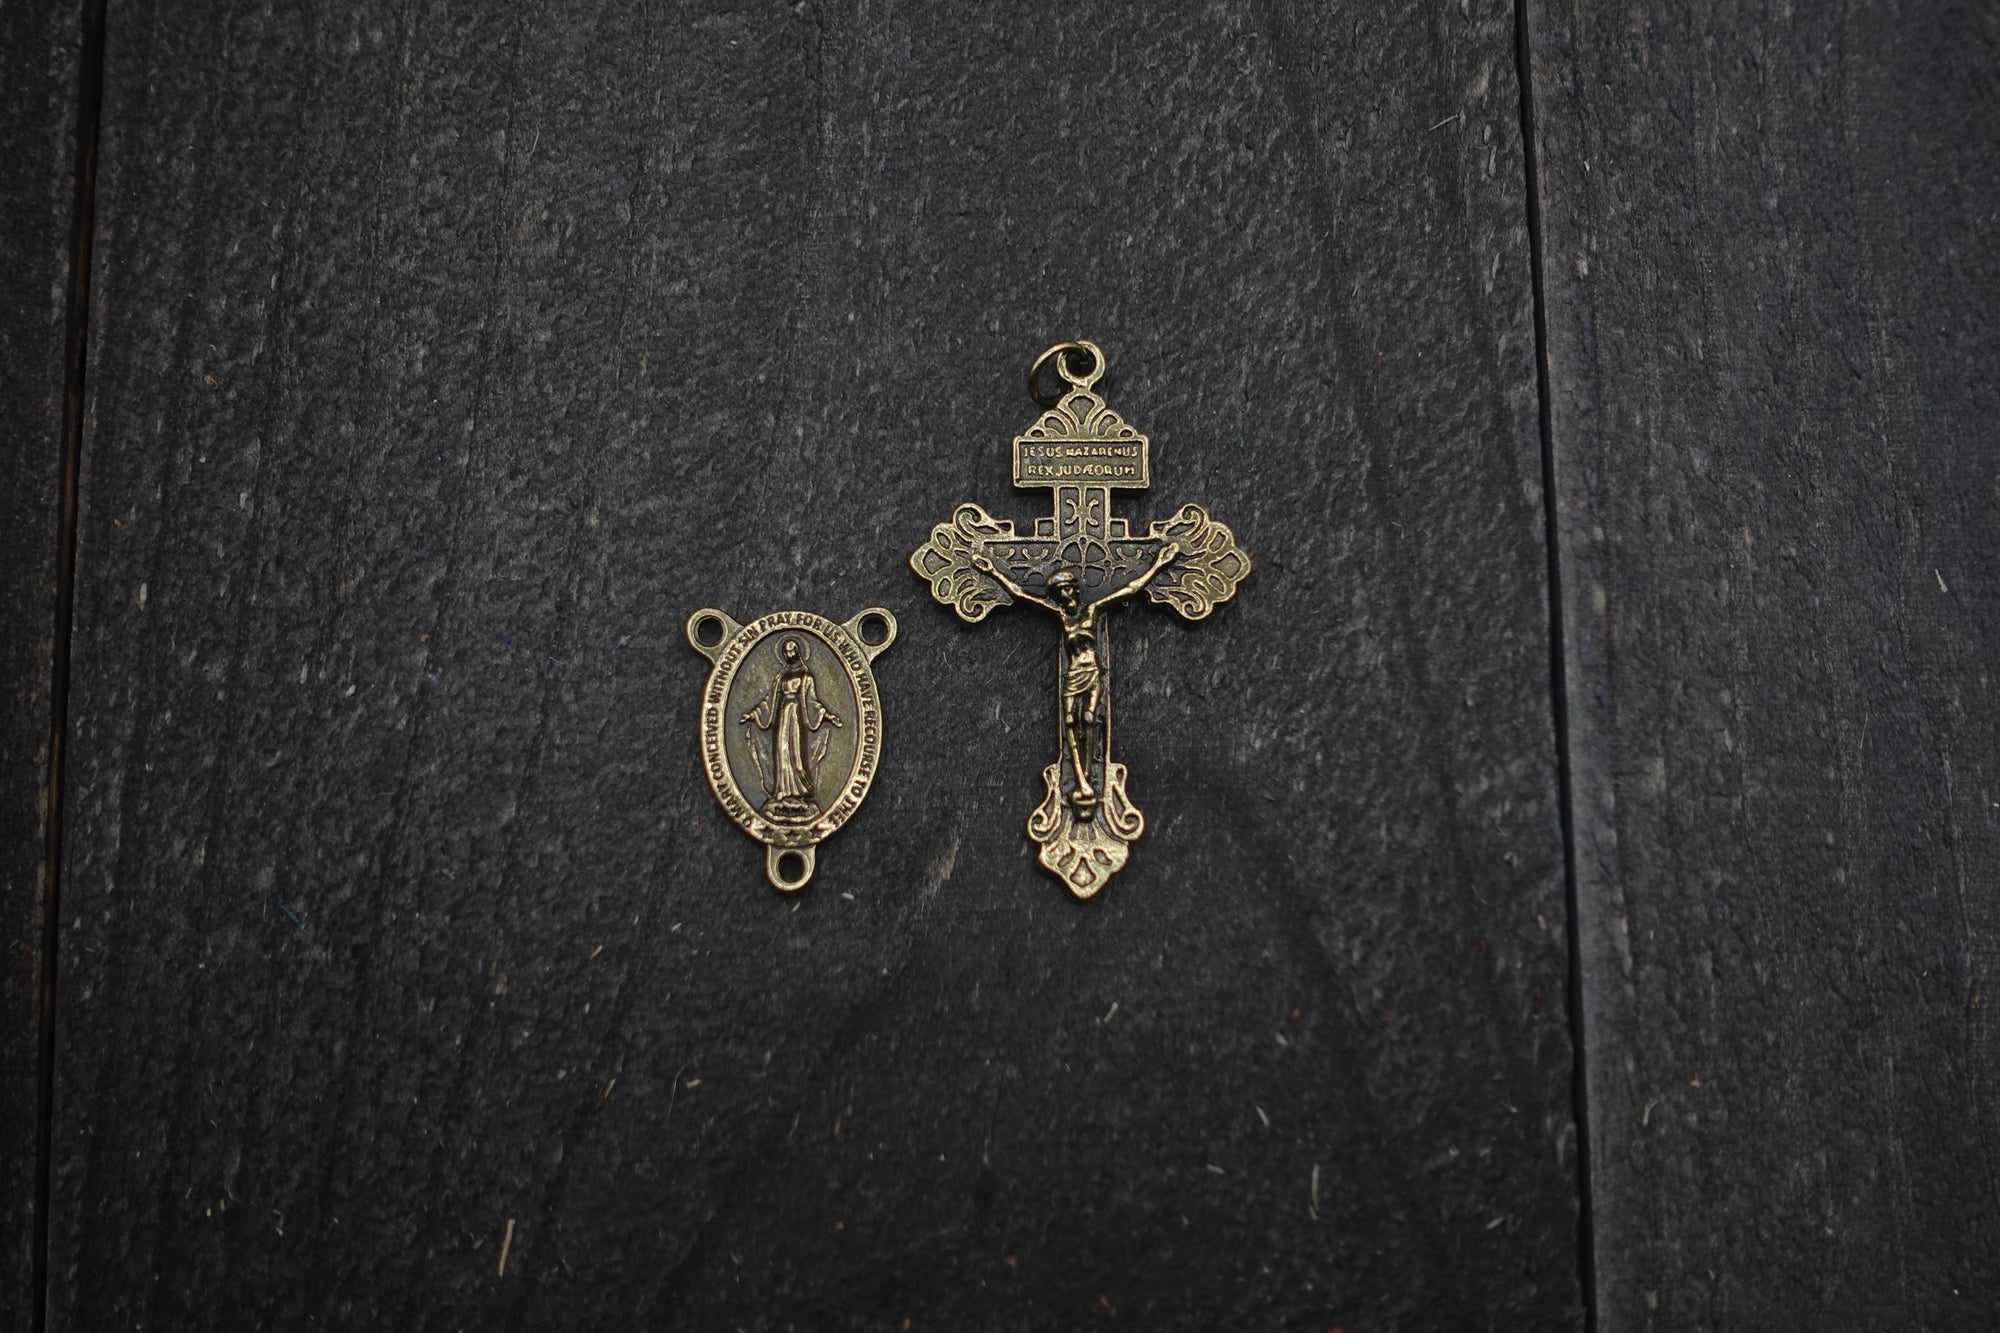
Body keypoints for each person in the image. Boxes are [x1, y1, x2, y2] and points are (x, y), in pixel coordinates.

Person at [971, 542, 1179, 813]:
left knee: (1090, 718)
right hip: (1073, 675)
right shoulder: (1060, 617)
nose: (1065, 594)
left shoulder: (1092, 612)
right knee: (1070, 720)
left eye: (1068, 588)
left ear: (1076, 589)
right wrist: (993, 572)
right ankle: (1080, 780)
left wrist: (1159, 564)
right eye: (1059, 592)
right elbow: (1021, 594)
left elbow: (1131, 588)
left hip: (1091, 672)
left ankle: (1089, 776)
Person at [740, 637, 842, 818]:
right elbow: (769, 701)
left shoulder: (806, 677)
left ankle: (798, 791)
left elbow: (813, 702)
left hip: (796, 716)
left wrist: (827, 715)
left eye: (791, 650)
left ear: (798, 651)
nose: (788, 654)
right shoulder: (780, 677)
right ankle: (783, 791)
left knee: (795, 752)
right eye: (785, 651)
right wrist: (754, 714)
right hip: (781, 715)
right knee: (781, 750)